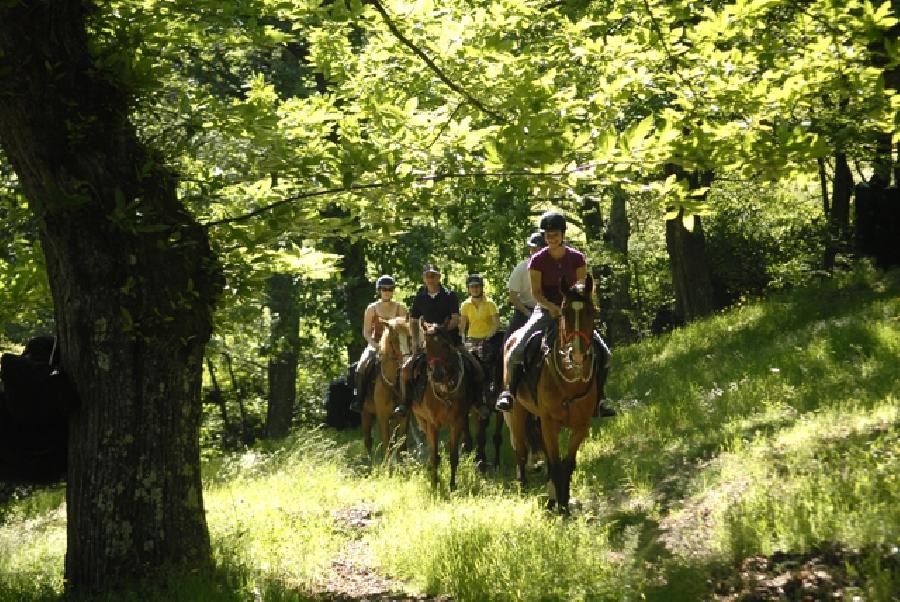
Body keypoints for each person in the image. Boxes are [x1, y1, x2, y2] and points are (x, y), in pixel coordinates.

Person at [496, 211, 613, 416]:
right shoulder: (538, 260)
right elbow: (536, 293)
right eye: (548, 235)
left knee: (605, 354)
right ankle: (509, 393)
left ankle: (600, 398)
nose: (552, 238)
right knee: (516, 350)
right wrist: (552, 308)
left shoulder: (576, 258)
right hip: (546, 309)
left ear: (563, 235)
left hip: (573, 311)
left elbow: (583, 288)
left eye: (555, 234)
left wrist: (571, 309)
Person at [396, 264, 483, 417]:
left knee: (476, 368)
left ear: (439, 277)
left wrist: (439, 329)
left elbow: (456, 319)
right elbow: (414, 321)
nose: (431, 279)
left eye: (433, 275)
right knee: (405, 370)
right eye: (428, 276)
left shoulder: (450, 295)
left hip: (451, 341)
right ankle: (406, 403)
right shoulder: (419, 297)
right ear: (423, 278)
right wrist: (416, 342)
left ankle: (477, 402)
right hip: (428, 344)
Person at [350, 275, 407, 412]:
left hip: (395, 346)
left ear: (393, 291)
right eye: (384, 289)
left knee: (408, 368)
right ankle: (359, 399)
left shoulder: (401, 308)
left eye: (390, 289)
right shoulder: (372, 308)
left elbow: (405, 331)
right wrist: (375, 345)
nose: (387, 291)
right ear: (379, 291)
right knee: (361, 367)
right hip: (375, 344)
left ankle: (407, 401)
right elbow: (366, 332)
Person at [506, 232, 546, 340]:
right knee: (508, 343)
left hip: (549, 310)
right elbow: (513, 297)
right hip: (525, 311)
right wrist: (528, 313)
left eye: (538, 249)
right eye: (532, 249)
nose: (535, 252)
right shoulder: (521, 269)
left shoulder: (554, 267)